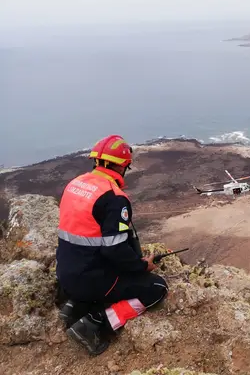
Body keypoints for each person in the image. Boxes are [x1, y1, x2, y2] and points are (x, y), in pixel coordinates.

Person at [56, 134, 168, 355]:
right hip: (91, 280)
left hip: (65, 275)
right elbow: (114, 249)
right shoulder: (114, 198)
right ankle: (94, 322)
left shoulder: (75, 184)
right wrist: (142, 266)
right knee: (156, 288)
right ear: (124, 166)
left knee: (101, 274)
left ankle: (75, 305)